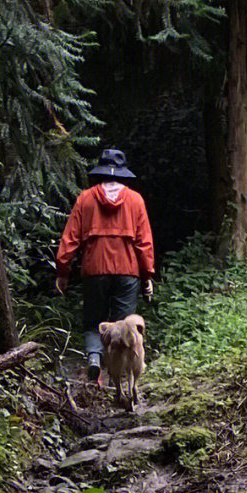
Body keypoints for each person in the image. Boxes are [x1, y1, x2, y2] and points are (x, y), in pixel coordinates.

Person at [55, 148, 155, 382]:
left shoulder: (86, 198)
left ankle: (94, 359)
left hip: (94, 268)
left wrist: (63, 271)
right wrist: (147, 274)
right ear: (122, 173)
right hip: (127, 270)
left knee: (94, 320)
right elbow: (144, 242)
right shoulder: (135, 200)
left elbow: (69, 238)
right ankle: (120, 376)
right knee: (124, 326)